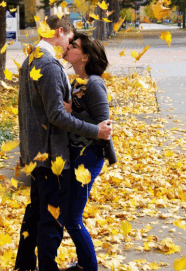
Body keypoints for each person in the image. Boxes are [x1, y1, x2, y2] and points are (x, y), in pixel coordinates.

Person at [14, 15, 112, 271]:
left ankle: (24, 264)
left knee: (37, 211)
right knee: (51, 219)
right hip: (51, 157)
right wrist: (96, 130)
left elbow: (35, 111)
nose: (68, 47)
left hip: (35, 152)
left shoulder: (31, 59)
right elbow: (57, 116)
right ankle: (46, 267)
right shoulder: (49, 65)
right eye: (69, 40)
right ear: (60, 31)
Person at [61, 32, 117, 271]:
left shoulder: (94, 83)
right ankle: (84, 263)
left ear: (83, 56)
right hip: (78, 154)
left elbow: (105, 126)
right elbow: (82, 114)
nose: (68, 47)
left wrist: (71, 113)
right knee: (71, 216)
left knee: (72, 219)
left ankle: (89, 267)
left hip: (90, 156)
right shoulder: (77, 82)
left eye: (73, 45)